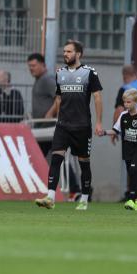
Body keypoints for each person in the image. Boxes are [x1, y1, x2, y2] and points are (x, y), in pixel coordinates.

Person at [35, 39, 104, 211]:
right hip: (63, 125)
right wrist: (55, 115)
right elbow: (58, 98)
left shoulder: (90, 73)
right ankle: (50, 197)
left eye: (69, 51)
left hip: (82, 126)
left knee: (83, 163)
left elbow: (97, 98)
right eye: (64, 51)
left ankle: (84, 199)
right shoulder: (60, 73)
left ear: (78, 54)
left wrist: (99, 123)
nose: (65, 54)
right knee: (56, 158)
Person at [111, 88, 137, 212]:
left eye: (128, 102)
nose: (125, 105)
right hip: (128, 150)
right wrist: (103, 132)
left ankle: (130, 199)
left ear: (136, 102)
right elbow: (115, 130)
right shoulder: (123, 115)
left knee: (134, 170)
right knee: (132, 173)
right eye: (125, 102)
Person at [27, 52, 58, 159]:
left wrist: (50, 113)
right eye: (29, 66)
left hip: (48, 128)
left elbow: (61, 97)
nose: (31, 69)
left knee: (35, 158)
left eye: (34, 66)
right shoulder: (39, 80)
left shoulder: (47, 79)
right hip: (41, 128)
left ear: (43, 65)